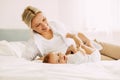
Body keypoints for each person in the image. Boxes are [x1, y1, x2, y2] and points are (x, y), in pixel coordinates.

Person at [22, 6, 102, 61]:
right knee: (106, 59)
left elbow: (74, 32)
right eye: (38, 25)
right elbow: (25, 61)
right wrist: (45, 58)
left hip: (87, 44)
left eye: (44, 19)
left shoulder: (54, 24)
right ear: (31, 28)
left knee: (112, 51)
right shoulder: (34, 43)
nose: (44, 25)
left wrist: (88, 41)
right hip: (81, 56)